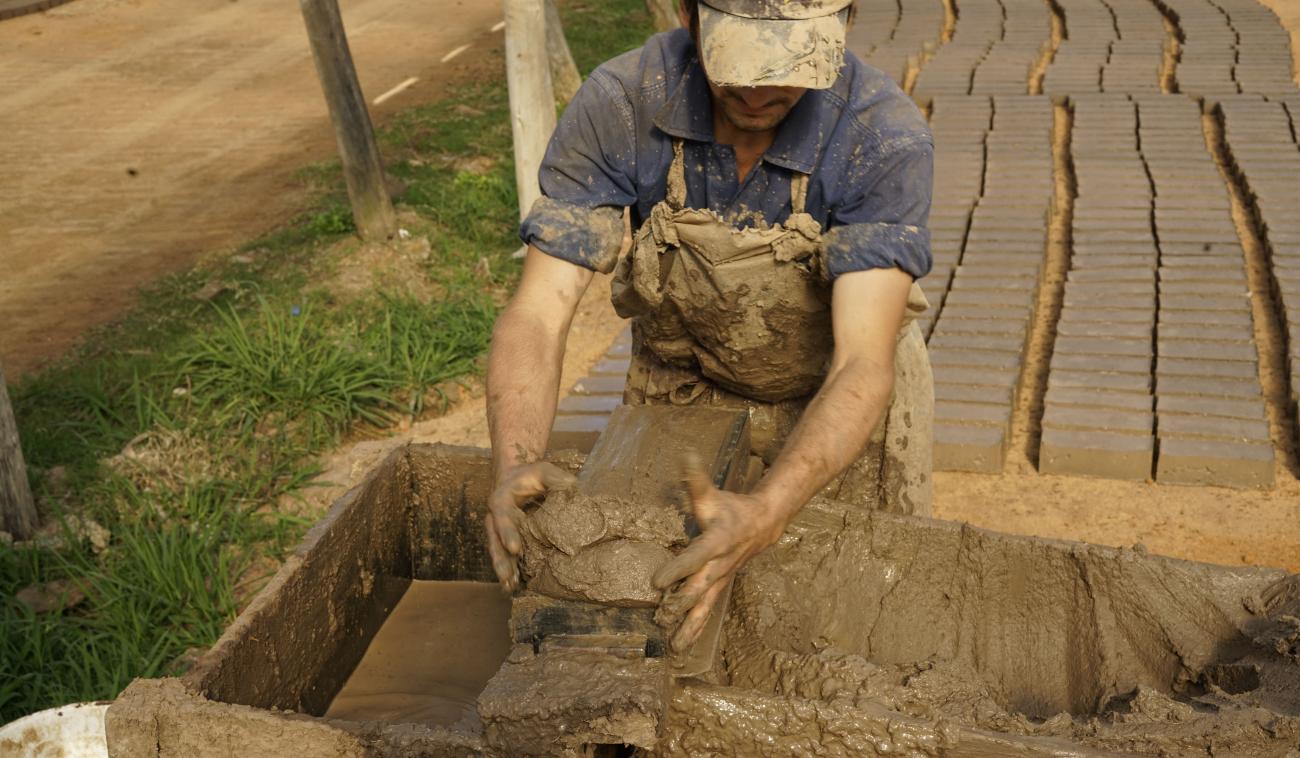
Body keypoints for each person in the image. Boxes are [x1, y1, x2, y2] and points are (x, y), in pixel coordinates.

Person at [484, 0, 934, 653]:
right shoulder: (623, 103)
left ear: (843, 25)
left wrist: (768, 509)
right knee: (659, 609)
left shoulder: (881, 137)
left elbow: (861, 361)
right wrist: (515, 462)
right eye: (737, 64)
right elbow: (538, 312)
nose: (757, 92)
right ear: (689, 17)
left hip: (835, 397)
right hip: (683, 377)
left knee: (844, 624)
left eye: (786, 67)